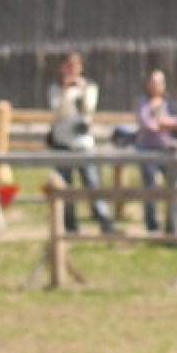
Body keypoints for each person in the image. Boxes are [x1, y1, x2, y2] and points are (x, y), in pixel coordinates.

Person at [47, 51, 114, 235]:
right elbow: (59, 111)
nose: (71, 69)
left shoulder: (89, 86)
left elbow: (88, 109)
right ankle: (70, 225)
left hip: (83, 144)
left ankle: (104, 222)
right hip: (62, 143)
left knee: (92, 184)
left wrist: (80, 89)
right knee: (64, 187)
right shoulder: (55, 89)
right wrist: (66, 91)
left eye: (75, 65)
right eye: (68, 65)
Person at [134, 69, 177, 233]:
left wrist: (163, 122)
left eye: (159, 82)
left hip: (167, 149)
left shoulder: (169, 102)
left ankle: (172, 223)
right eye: (152, 82)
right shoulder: (142, 102)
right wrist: (164, 123)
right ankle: (151, 223)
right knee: (150, 187)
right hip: (146, 149)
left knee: (175, 185)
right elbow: (147, 123)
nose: (155, 86)